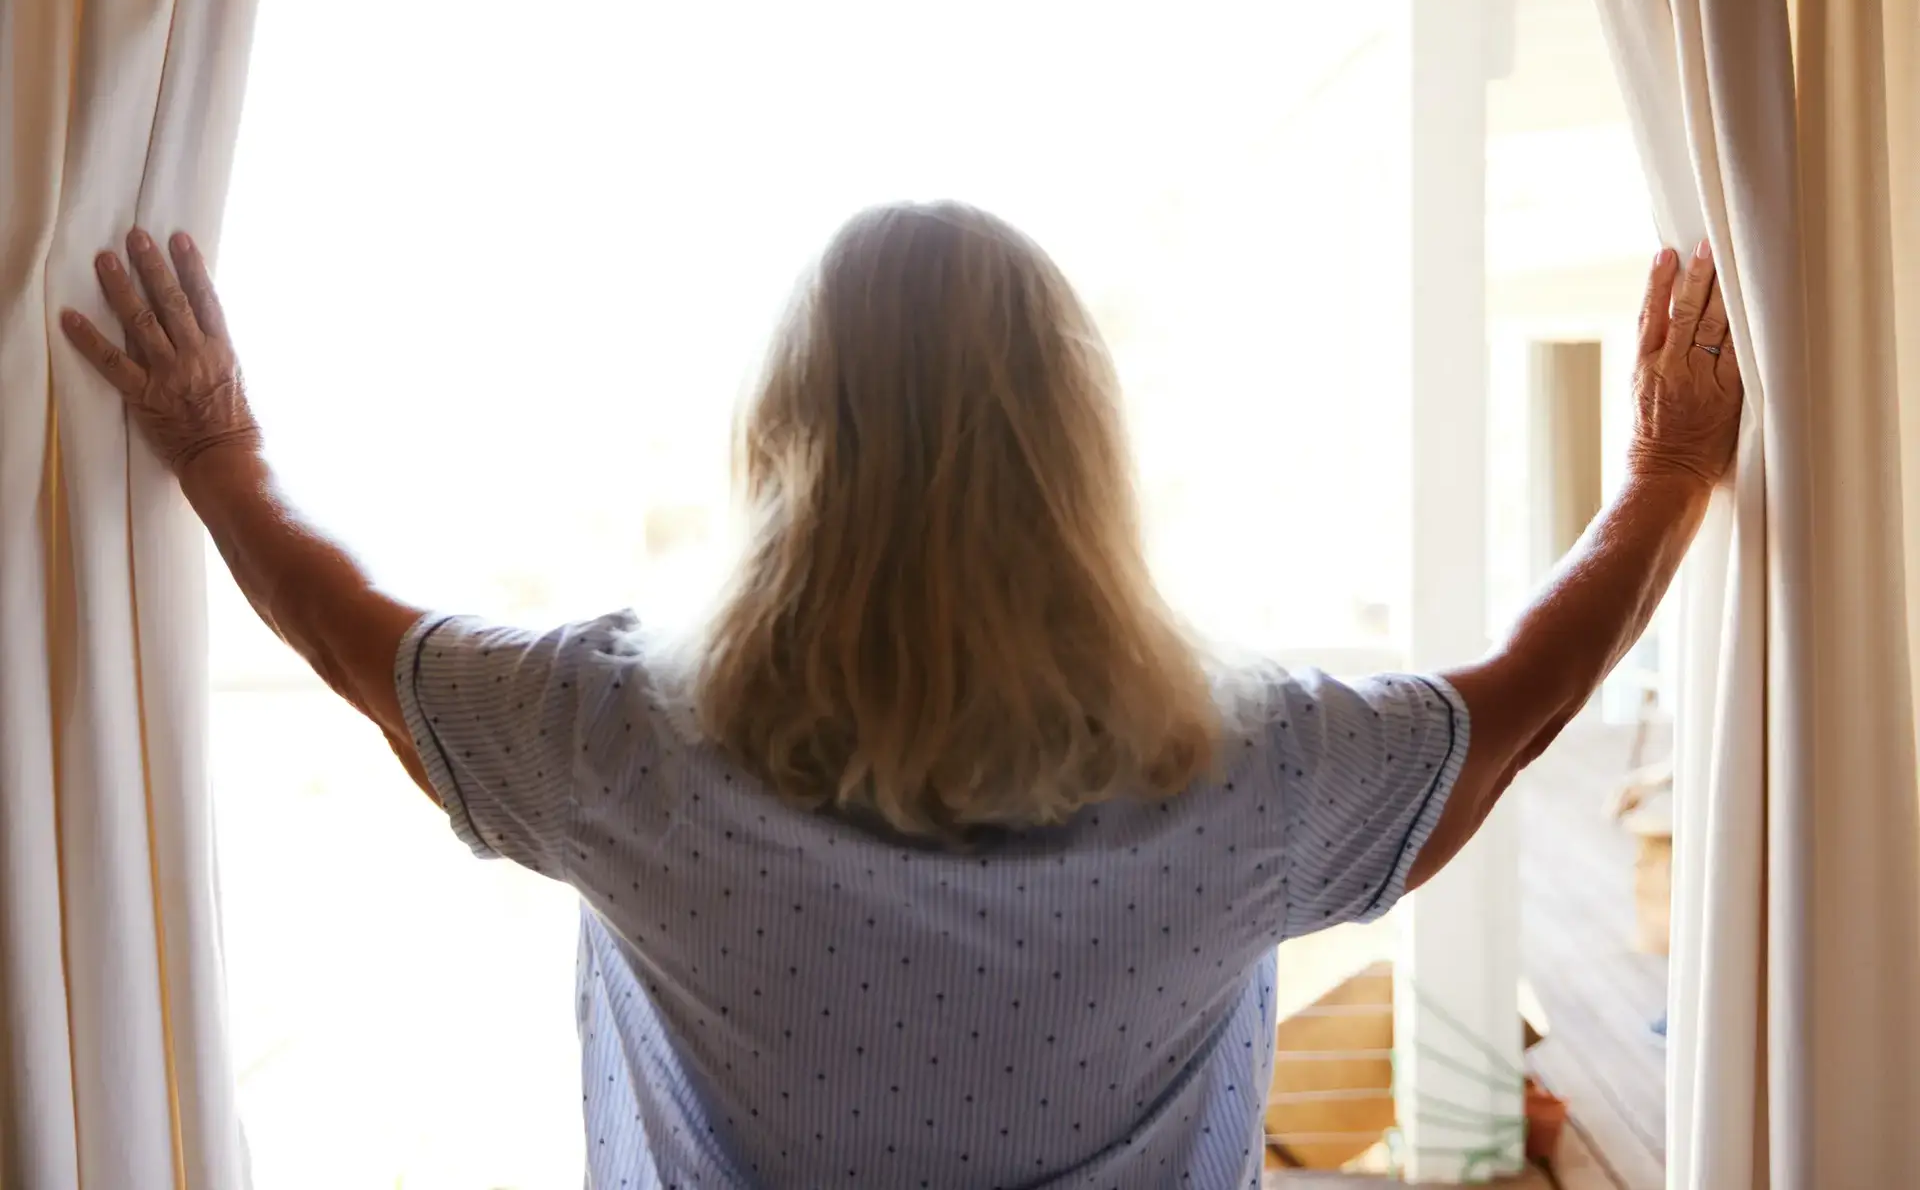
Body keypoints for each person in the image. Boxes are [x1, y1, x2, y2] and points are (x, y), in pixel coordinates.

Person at [61, 207, 1739, 1188]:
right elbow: (1514, 700)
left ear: (783, 445)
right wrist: (1665, 474)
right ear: (1082, 458)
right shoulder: (1259, 772)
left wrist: (214, 445)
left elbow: (362, 641)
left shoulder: (624, 744)